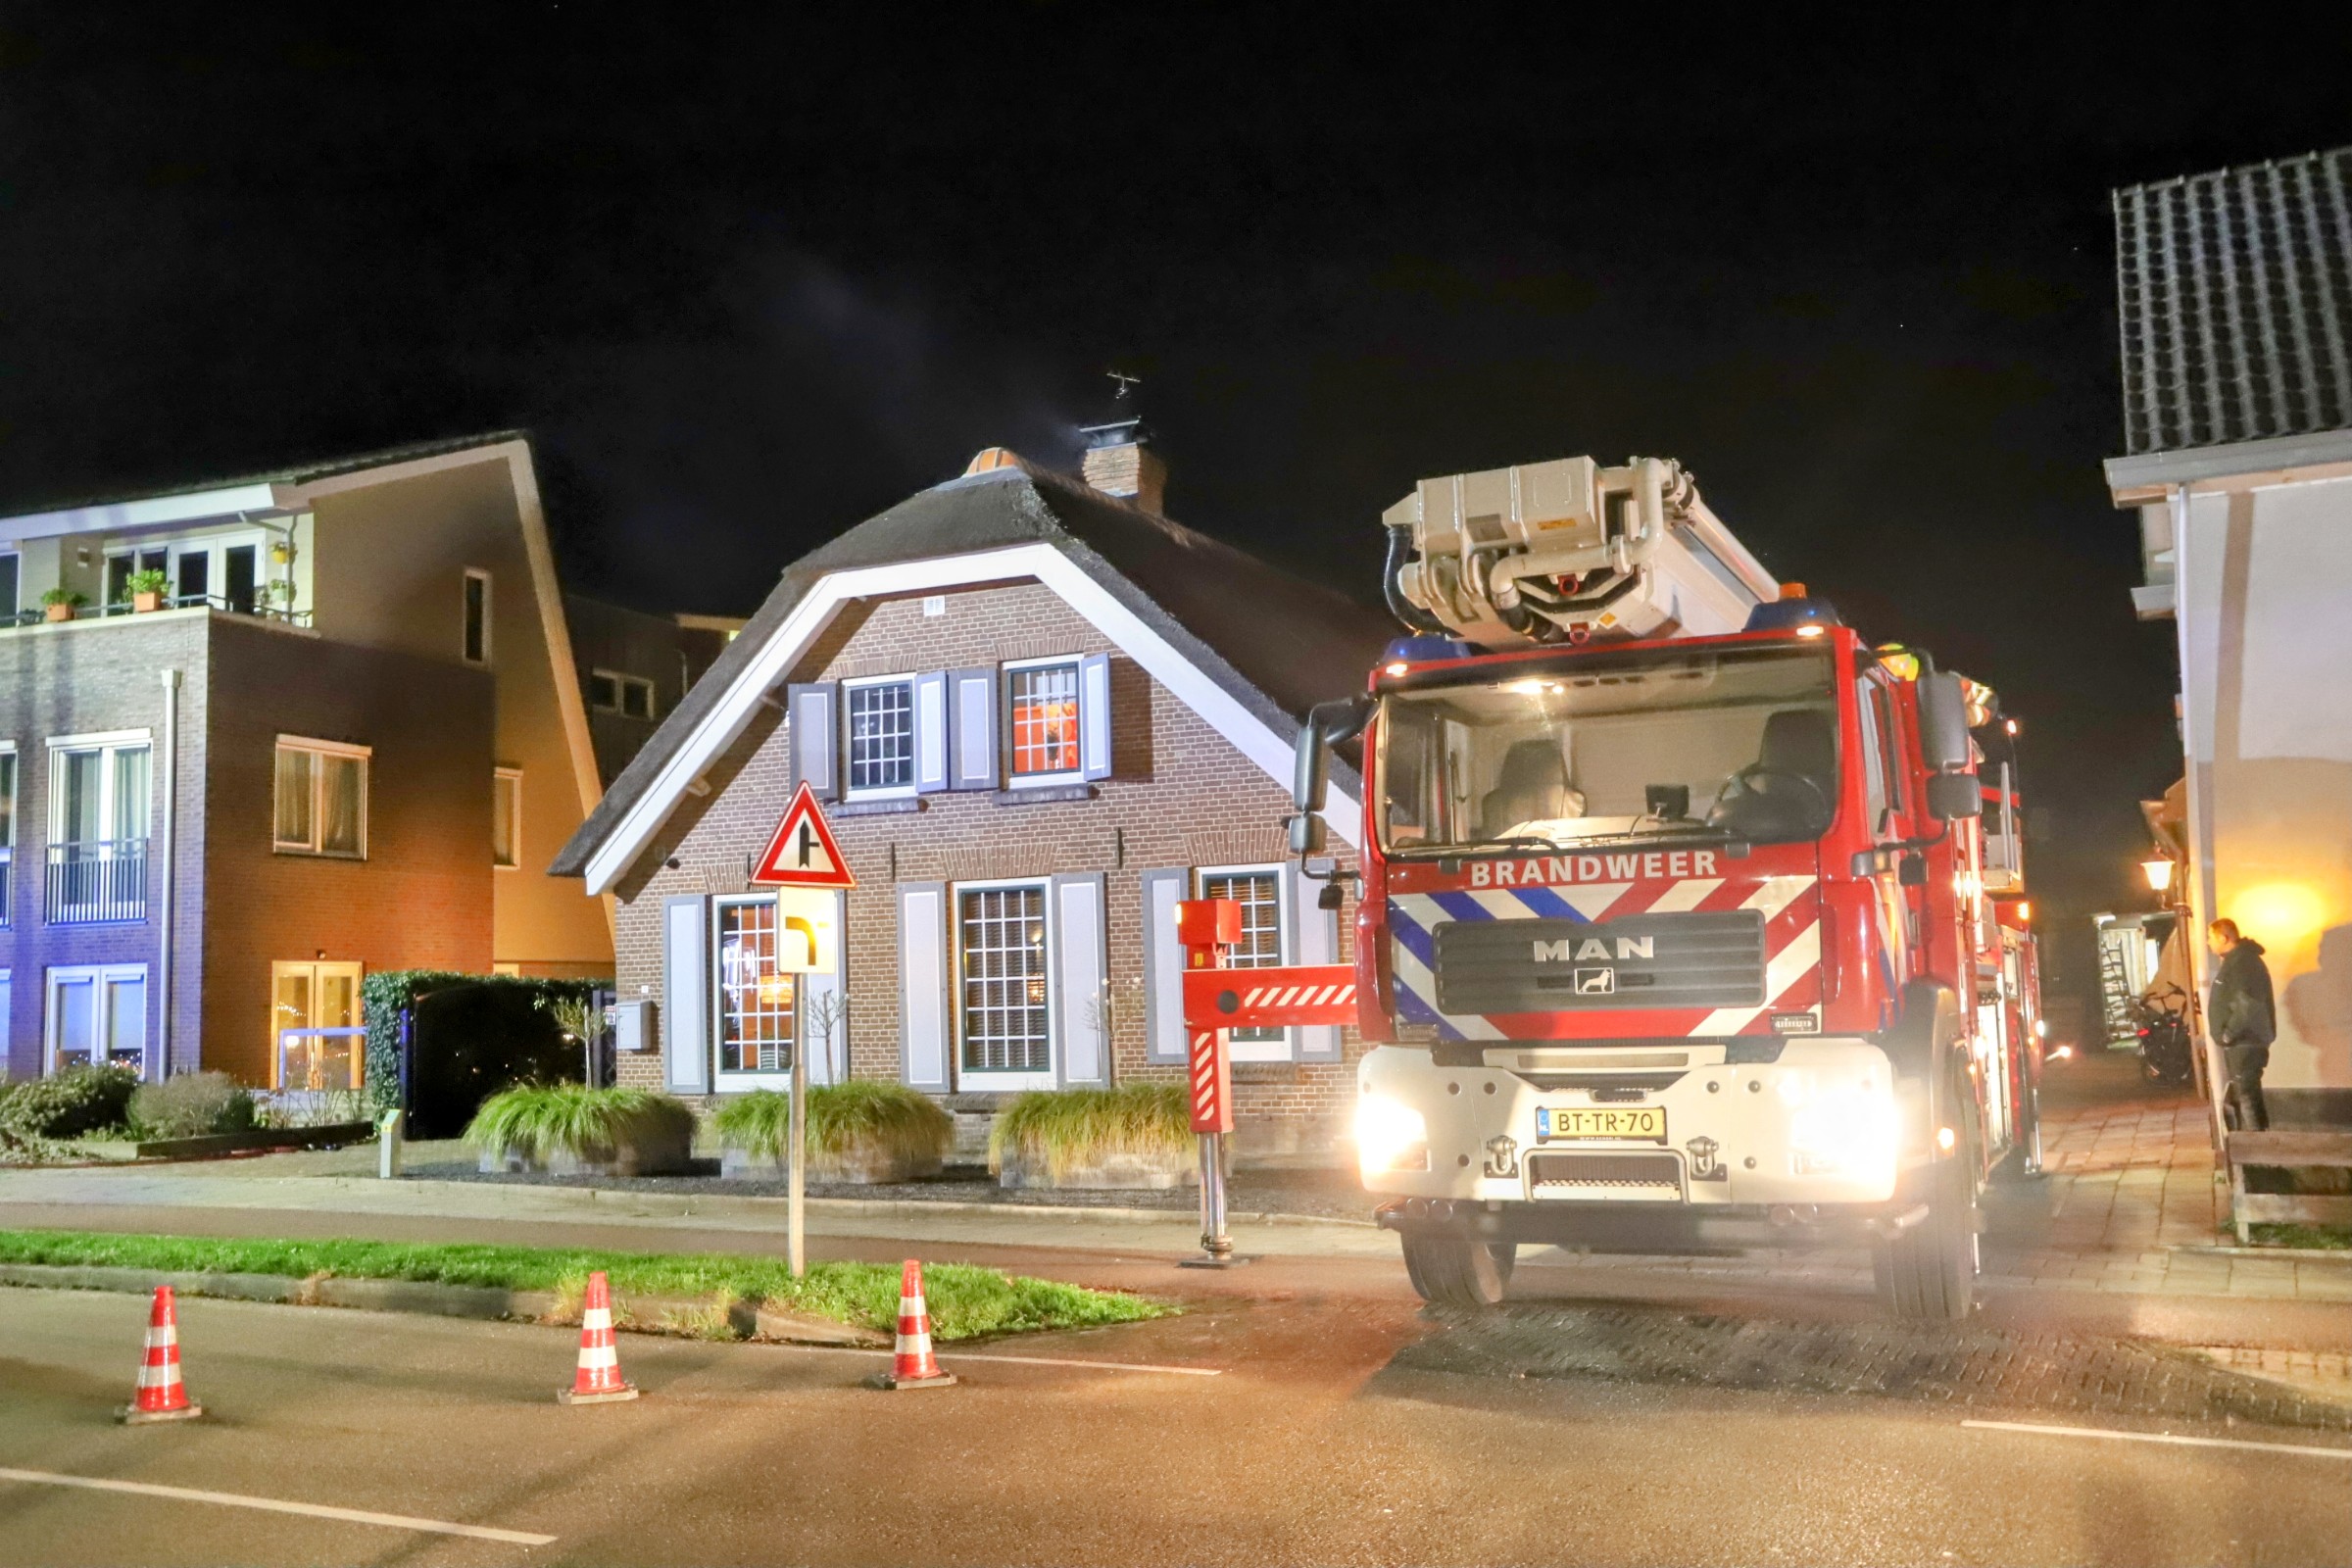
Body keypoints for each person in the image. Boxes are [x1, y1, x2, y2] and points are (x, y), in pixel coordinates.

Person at [2207, 918, 2277, 1131]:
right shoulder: (2238, 961)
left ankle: (2258, 1145)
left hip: (2245, 1041)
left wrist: (2228, 1033)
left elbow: (2248, 1004)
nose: (2208, 943)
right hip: (2244, 1040)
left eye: (2210, 938)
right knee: (2248, 1094)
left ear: (2224, 938)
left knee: (2247, 1096)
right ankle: (2261, 1142)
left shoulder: (2242, 962)